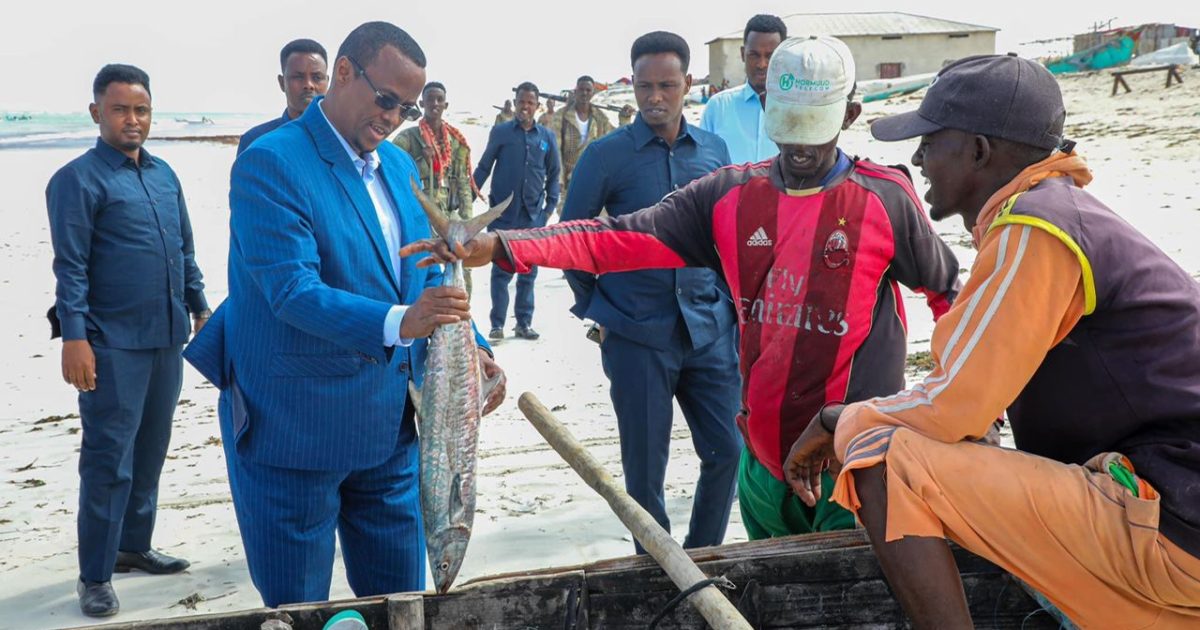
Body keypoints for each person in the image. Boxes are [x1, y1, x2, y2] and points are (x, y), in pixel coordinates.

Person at [403, 36, 960, 543]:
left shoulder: (884, 200)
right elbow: (614, 237)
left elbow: (950, 297)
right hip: (764, 465)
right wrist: (500, 246)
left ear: (850, 115)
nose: (800, 152)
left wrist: (952, 411)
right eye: (788, 130)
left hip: (855, 465)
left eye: (814, 132)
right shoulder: (731, 197)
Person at [782, 54, 1200, 628]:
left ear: (979, 151)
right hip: (1174, 509)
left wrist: (837, 420)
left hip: (1172, 526)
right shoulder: (1061, 213)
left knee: (880, 454)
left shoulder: (1036, 228)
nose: (918, 158)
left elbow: (952, 405)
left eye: (930, 141)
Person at [182, 22, 505, 607]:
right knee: (300, 607)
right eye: (386, 100)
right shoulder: (270, 162)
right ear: (346, 73)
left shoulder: (401, 170)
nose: (392, 119)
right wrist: (401, 321)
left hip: (392, 434)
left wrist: (475, 344)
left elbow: (428, 273)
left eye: (406, 110)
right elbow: (291, 290)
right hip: (295, 431)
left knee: (399, 601)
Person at [560, 32, 741, 552]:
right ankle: (659, 570)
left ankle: (701, 558)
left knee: (727, 451)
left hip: (708, 331)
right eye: (644, 87)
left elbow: (726, 234)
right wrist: (598, 307)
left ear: (689, 84)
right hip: (637, 334)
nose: (655, 98)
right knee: (645, 473)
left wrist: (728, 305)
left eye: (667, 85)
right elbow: (569, 238)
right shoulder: (606, 156)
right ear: (632, 86)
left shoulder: (715, 151)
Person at [47, 63, 210, 618]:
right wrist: (74, 339)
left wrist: (200, 307)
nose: (132, 120)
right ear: (97, 113)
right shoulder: (77, 180)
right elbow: (70, 269)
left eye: (141, 109)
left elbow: (184, 251)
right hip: (110, 343)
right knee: (107, 459)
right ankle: (94, 574)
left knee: (150, 451)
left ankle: (133, 546)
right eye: (120, 109)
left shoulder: (165, 175)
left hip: (166, 338)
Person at [472, 81, 560, 341]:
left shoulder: (546, 137)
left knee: (528, 272)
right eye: (521, 101)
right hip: (502, 214)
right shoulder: (501, 132)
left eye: (530, 103)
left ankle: (524, 323)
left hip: (532, 215)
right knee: (500, 271)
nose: (525, 107)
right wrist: (471, 192)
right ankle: (497, 325)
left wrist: (548, 210)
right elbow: (485, 165)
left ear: (537, 106)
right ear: (517, 102)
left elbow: (554, 174)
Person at [393, 81, 479, 296]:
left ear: (446, 105)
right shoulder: (408, 139)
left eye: (439, 100)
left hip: (450, 215)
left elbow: (462, 183)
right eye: (430, 99)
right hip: (421, 213)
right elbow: (394, 173)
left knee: (460, 264)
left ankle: (461, 309)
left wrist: (468, 220)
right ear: (421, 103)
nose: (435, 103)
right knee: (424, 265)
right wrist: (422, 158)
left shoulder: (456, 140)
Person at [699, 14, 786, 165]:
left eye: (770, 56)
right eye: (754, 55)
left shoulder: (798, 109)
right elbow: (702, 164)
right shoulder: (718, 107)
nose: (762, 64)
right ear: (742, 54)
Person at [550, 75, 634, 209]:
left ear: (593, 93)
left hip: (595, 182)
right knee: (570, 224)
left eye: (588, 90)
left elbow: (615, 140)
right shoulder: (561, 116)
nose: (584, 93)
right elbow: (555, 150)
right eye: (581, 89)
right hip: (570, 183)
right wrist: (558, 179)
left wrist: (624, 119)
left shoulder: (599, 117)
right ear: (575, 91)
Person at [237, 39, 329, 155]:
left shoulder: (342, 139)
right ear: (282, 83)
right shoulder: (255, 141)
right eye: (298, 77)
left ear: (328, 82)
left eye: (317, 77)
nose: (308, 85)